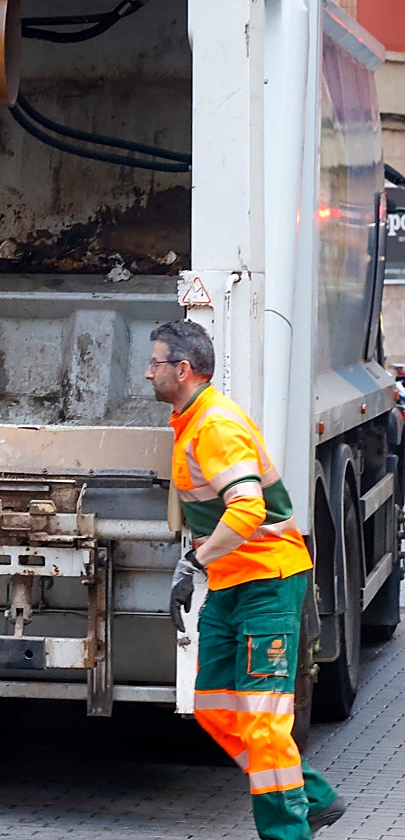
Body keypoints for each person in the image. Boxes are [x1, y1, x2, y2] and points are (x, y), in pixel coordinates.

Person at [147, 320, 345, 840]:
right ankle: (312, 796)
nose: (148, 373)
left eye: (155, 363)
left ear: (182, 370)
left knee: (263, 720)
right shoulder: (191, 422)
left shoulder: (214, 426)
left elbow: (248, 509)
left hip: (268, 583)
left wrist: (194, 563)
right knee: (214, 705)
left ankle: (288, 832)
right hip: (236, 583)